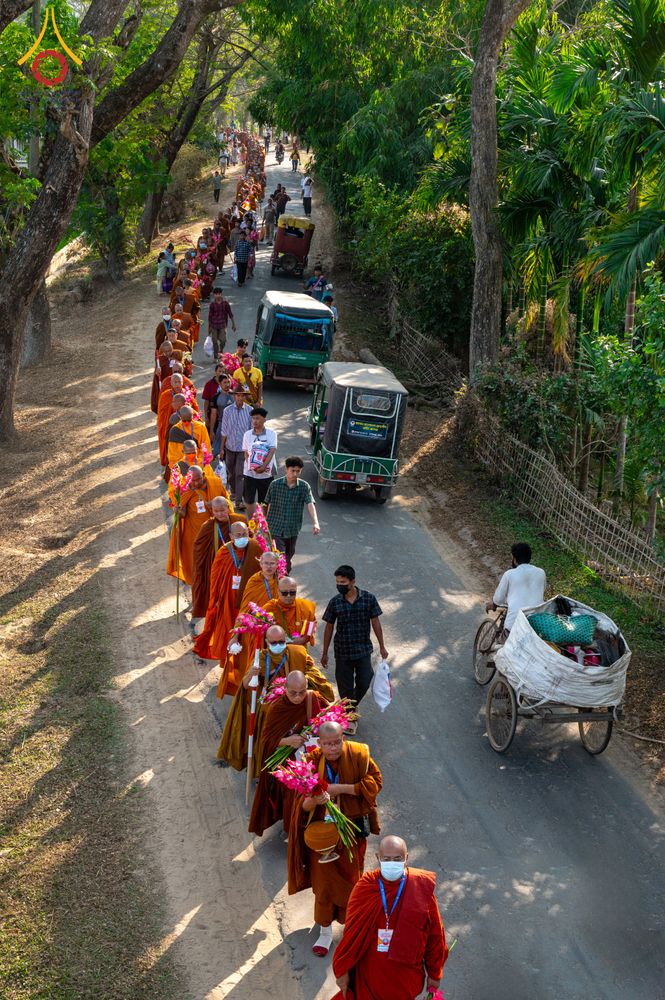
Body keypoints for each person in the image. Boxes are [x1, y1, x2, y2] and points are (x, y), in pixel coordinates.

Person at [287, 721, 382, 958]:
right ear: (319, 743)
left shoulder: (359, 754)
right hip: (323, 836)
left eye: (337, 742)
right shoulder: (310, 762)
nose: (333, 748)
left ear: (343, 738)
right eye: (327, 744)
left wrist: (342, 789)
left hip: (351, 831)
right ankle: (325, 932)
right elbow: (302, 802)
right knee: (324, 886)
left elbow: (375, 782)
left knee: (352, 881)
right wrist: (313, 801)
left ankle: (352, 928)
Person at [332, 835, 448, 1000]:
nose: (392, 863)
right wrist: (342, 969)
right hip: (371, 975)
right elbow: (351, 934)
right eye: (387, 859)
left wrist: (435, 974)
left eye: (397, 858)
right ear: (378, 858)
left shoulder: (420, 887)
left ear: (406, 858)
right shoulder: (366, 886)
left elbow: (435, 935)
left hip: (405, 978)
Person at [218, 625, 334, 769]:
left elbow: (315, 675)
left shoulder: (298, 653)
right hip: (271, 708)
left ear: (286, 639)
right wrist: (252, 674)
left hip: (296, 703)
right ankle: (266, 768)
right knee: (270, 740)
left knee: (298, 742)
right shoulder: (261, 657)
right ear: (266, 642)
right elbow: (246, 685)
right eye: (273, 643)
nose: (278, 645)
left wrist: (298, 682)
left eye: (281, 641)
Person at [248, 670, 328, 837]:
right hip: (287, 757)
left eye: (302, 692)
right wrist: (287, 741)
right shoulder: (278, 708)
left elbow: (325, 724)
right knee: (295, 790)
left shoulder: (312, 699)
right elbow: (265, 740)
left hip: (310, 752)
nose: (298, 697)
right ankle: (293, 827)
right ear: (285, 689)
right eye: (293, 693)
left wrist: (314, 733)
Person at [193, 521, 264, 677]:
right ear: (231, 536)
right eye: (238, 535)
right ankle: (227, 662)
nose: (242, 537)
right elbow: (215, 576)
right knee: (228, 628)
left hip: (247, 599)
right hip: (228, 598)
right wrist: (216, 599)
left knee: (245, 632)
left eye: (244, 534)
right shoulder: (224, 552)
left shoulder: (254, 548)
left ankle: (243, 663)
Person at [321, 566, 388, 721]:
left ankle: (349, 706)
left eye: (343, 582)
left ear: (353, 581)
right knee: (345, 687)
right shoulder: (335, 602)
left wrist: (382, 646)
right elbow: (329, 626)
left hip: (363, 649)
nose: (339, 585)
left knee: (365, 680)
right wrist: (325, 653)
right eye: (337, 582)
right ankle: (347, 712)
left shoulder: (368, 599)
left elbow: (376, 622)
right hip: (343, 651)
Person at [218, 550, 281, 698]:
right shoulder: (254, 581)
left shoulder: (280, 581)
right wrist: (235, 634)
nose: (269, 566)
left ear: (278, 565)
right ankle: (246, 693)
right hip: (254, 630)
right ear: (260, 564)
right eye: (266, 563)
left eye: (272, 563)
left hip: (274, 631)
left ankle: (268, 692)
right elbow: (245, 608)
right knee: (251, 663)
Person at [191, 497, 247, 623]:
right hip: (219, 567)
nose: (220, 514)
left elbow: (250, 538)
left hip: (239, 565)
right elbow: (198, 547)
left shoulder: (239, 521)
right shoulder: (208, 526)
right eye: (216, 511)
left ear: (228, 507)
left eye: (222, 510)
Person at [166, 465, 224, 586]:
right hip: (195, 535)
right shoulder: (186, 490)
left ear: (203, 475)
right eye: (193, 480)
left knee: (215, 562)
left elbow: (227, 503)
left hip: (214, 532)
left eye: (198, 479)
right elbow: (183, 513)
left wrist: (213, 504)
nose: (196, 483)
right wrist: (177, 511)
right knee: (197, 565)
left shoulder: (215, 483)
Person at [264, 456, 320, 573]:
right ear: (286, 469)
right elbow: (266, 504)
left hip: (292, 530)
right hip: (274, 528)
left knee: (288, 556)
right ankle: (280, 580)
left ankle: (284, 575)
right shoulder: (275, 485)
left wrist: (315, 522)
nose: (295, 474)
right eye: (292, 470)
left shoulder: (304, 487)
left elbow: (310, 503)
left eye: (298, 471)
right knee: (280, 556)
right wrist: (263, 525)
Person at [486, 542, 546, 634]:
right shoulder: (541, 572)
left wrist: (493, 605)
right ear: (529, 557)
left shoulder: (509, 574)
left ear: (514, 559)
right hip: (537, 624)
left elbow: (498, 599)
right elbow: (541, 591)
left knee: (504, 645)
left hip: (514, 625)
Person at [242, 406, 277, 518]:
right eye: (253, 418)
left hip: (266, 474)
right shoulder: (247, 434)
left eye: (257, 418)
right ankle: (252, 522)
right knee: (249, 499)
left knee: (265, 500)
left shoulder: (271, 434)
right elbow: (246, 453)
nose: (254, 421)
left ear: (264, 420)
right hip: (250, 474)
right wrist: (251, 466)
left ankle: (264, 521)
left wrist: (263, 466)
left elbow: (272, 451)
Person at [220, 388, 253, 507]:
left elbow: (251, 432)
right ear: (234, 397)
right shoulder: (227, 410)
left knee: (240, 474)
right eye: (237, 396)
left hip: (242, 449)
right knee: (231, 472)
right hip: (229, 447)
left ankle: (239, 500)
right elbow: (224, 431)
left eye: (242, 396)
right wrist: (222, 449)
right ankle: (233, 491)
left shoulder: (250, 411)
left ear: (244, 397)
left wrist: (249, 450)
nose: (239, 398)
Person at [264, 577, 317, 648]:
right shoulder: (269, 609)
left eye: (292, 592)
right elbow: (262, 634)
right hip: (276, 653)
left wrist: (301, 640)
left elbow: (310, 630)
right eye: (284, 593)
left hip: (299, 651)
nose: (288, 596)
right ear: (278, 592)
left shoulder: (306, 607)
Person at [207, 287, 237, 359]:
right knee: (214, 341)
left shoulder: (225, 303)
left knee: (223, 340)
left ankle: (221, 350)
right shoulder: (212, 305)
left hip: (222, 325)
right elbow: (210, 317)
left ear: (221, 294)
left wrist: (233, 324)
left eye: (219, 294)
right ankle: (216, 356)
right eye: (216, 294)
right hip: (214, 325)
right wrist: (209, 327)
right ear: (214, 295)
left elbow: (230, 314)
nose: (218, 295)